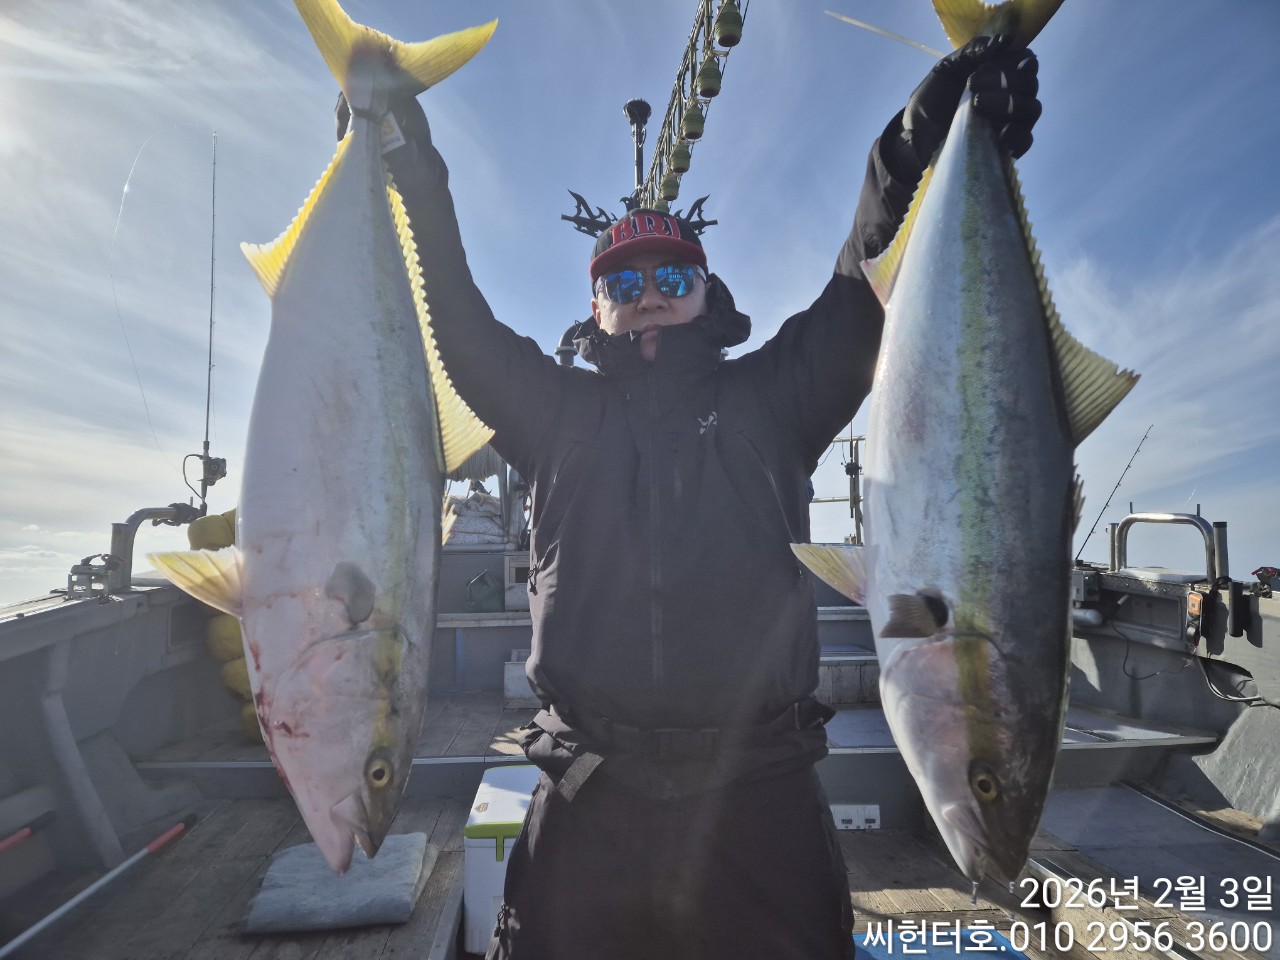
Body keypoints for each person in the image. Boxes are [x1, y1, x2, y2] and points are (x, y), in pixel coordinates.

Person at [338, 34, 1041, 960]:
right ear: (597, 308)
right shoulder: (551, 413)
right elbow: (457, 319)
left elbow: (864, 280)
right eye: (622, 282)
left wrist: (922, 137)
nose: (649, 294)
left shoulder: (777, 395)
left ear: (706, 291)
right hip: (588, 794)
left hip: (761, 793)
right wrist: (404, 161)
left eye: (673, 276)